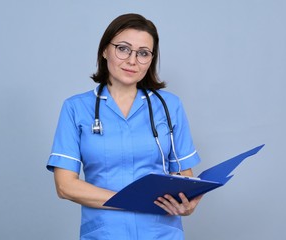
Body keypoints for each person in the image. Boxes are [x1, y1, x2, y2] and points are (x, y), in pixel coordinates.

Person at [46, 13, 203, 240]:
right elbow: (65, 186)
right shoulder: (75, 108)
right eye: (123, 48)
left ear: (151, 59)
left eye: (143, 53)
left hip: (161, 233)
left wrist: (187, 203)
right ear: (105, 50)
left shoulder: (169, 106)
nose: (132, 60)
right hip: (106, 233)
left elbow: (183, 175)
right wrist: (134, 200)